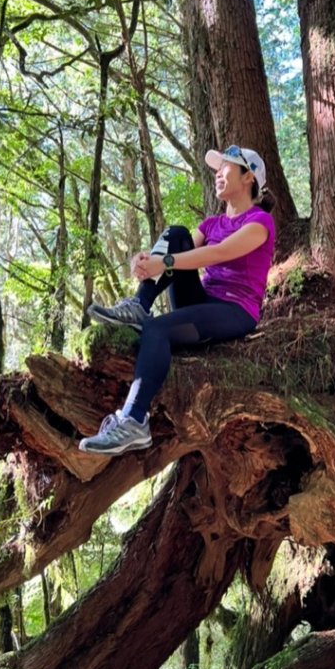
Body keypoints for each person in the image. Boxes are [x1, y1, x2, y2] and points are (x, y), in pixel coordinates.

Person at [78, 145, 276, 456]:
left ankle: (133, 422)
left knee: (156, 330)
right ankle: (138, 305)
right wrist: (145, 263)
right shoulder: (210, 225)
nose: (218, 174)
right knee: (176, 232)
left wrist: (165, 262)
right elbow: (181, 252)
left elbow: (219, 253)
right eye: (217, 169)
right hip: (199, 301)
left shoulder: (260, 222)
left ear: (248, 177)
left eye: (225, 168)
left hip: (234, 311)